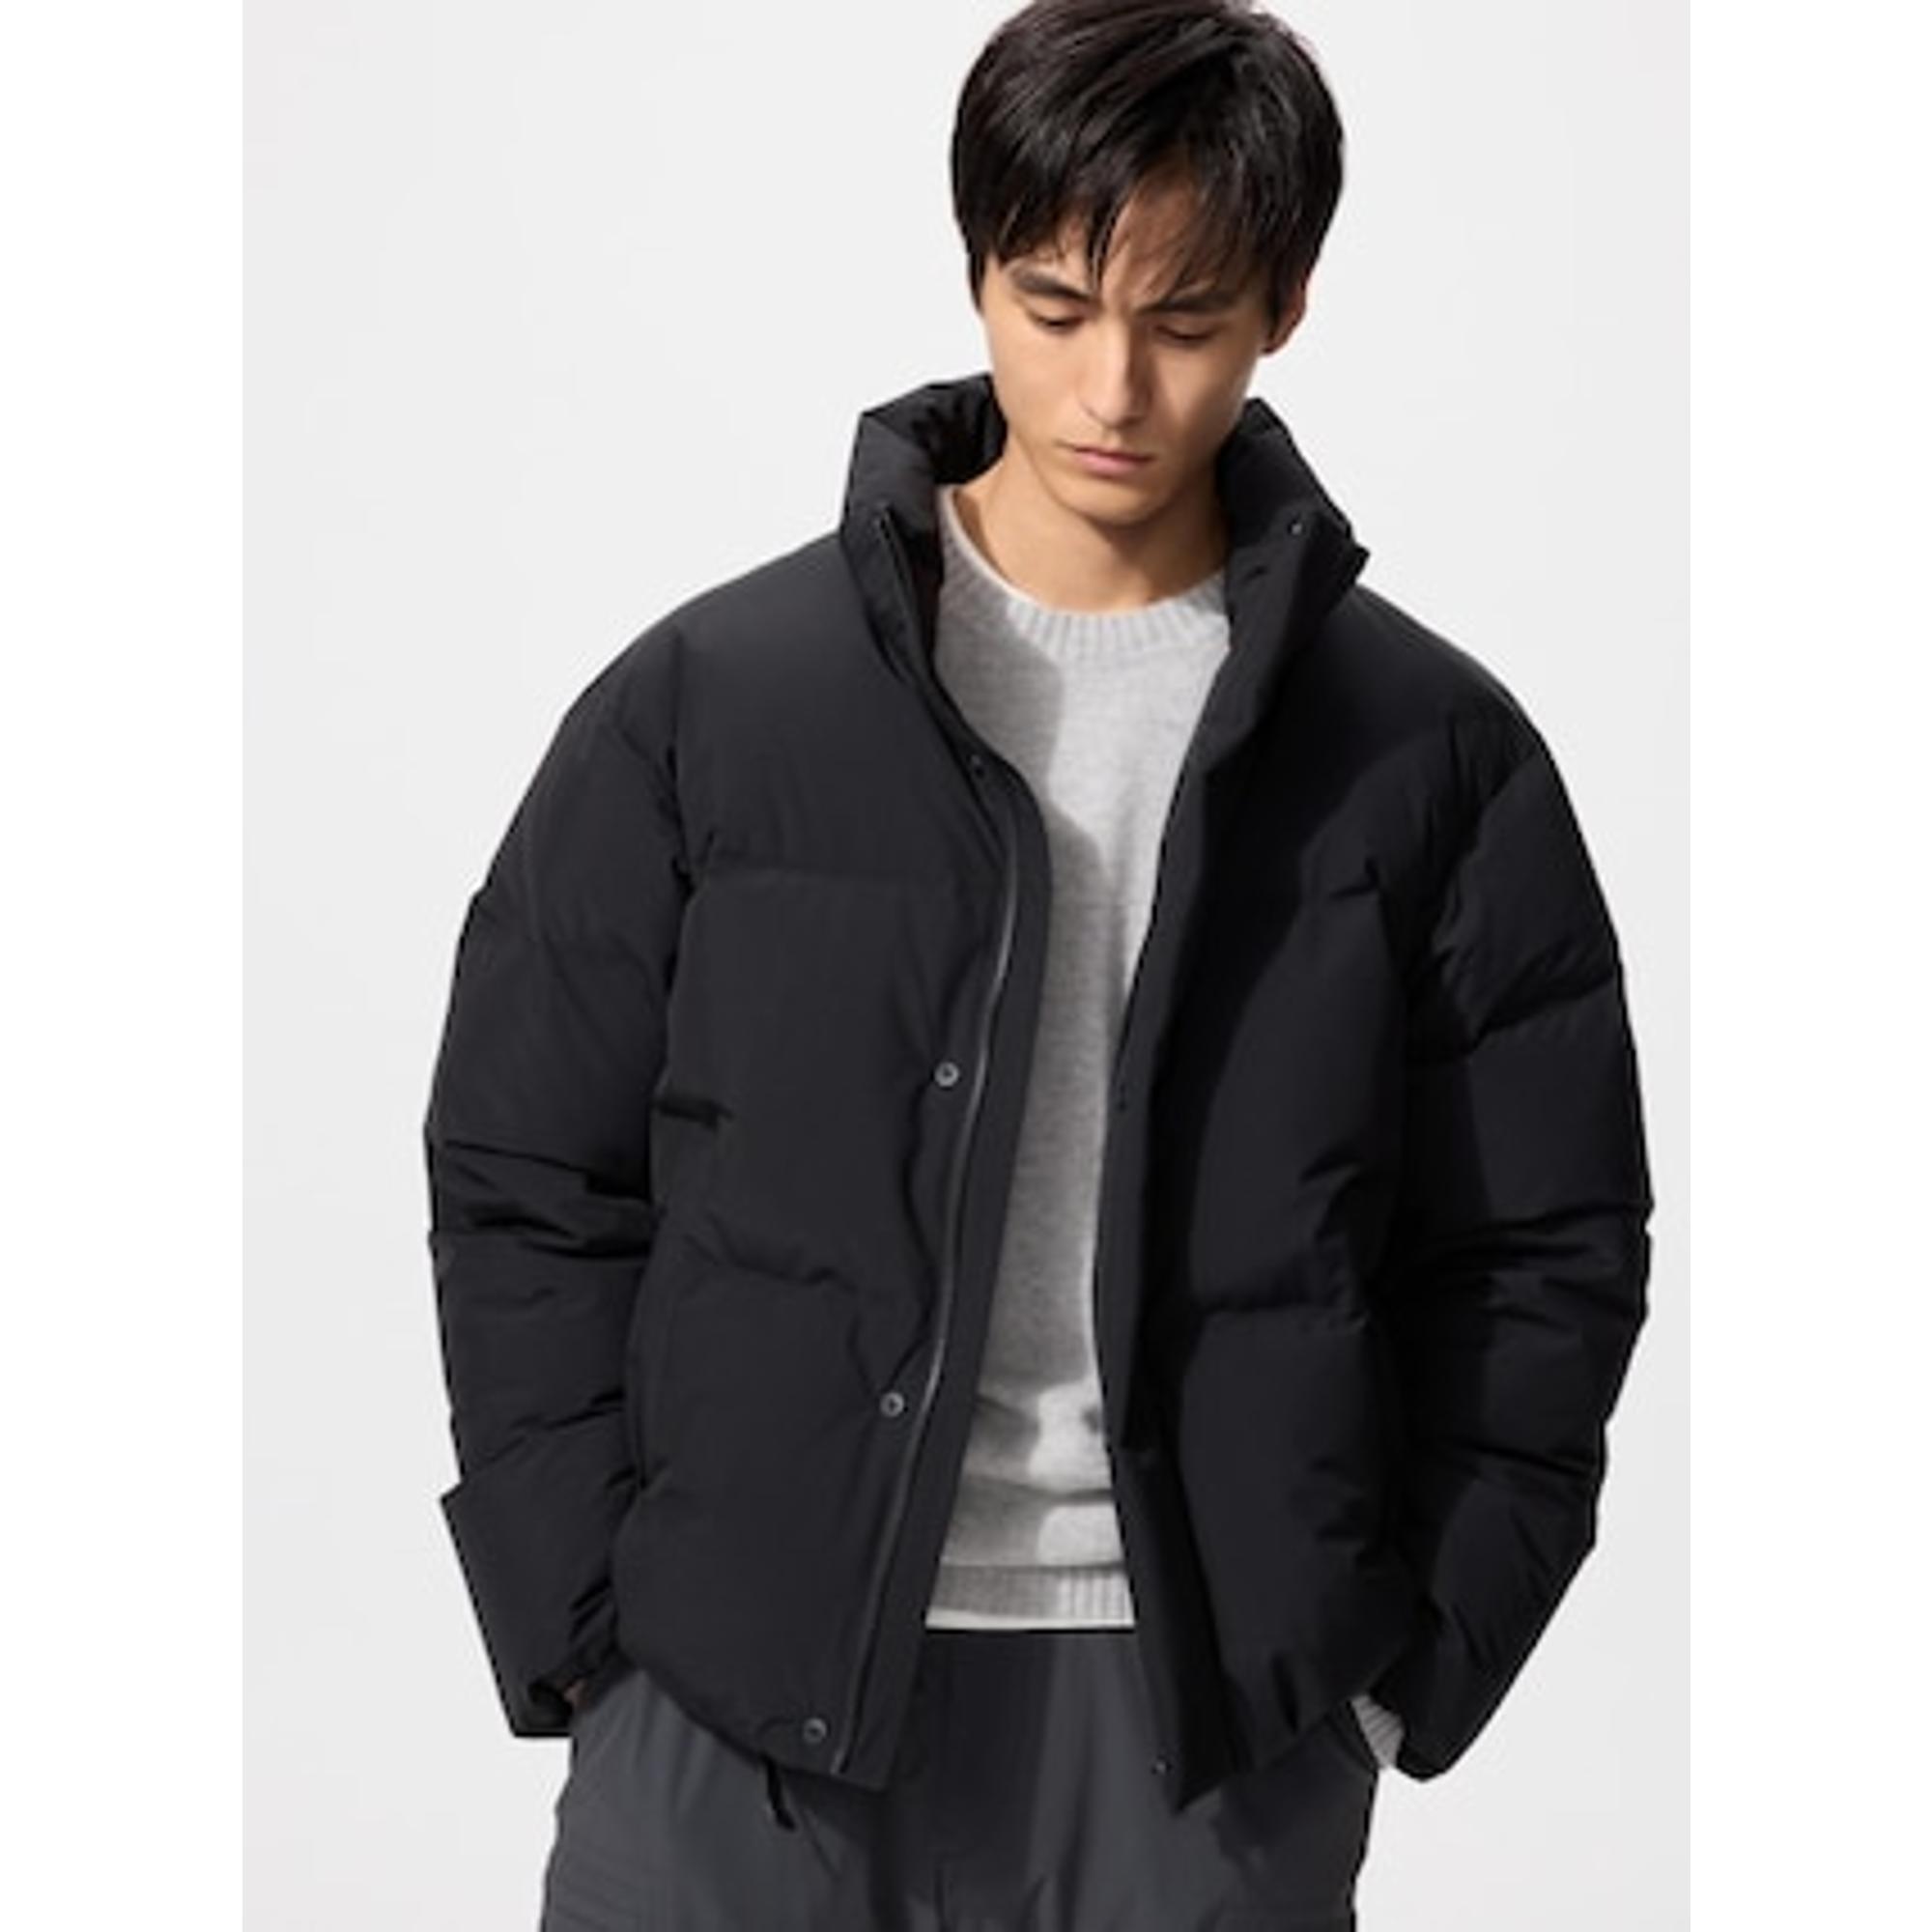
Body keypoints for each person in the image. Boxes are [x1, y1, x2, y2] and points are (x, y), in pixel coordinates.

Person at [422, 3, 1654, 1925]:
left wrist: (1399, 1674)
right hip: (737, 1709)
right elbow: (527, 1168)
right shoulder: (713, 708)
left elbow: (1542, 1245)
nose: (1111, 387)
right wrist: (588, 1627)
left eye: (1186, 319)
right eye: (1054, 304)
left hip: (1202, 1736)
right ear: (977, 272)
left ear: (1286, 308)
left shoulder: (1426, 755)